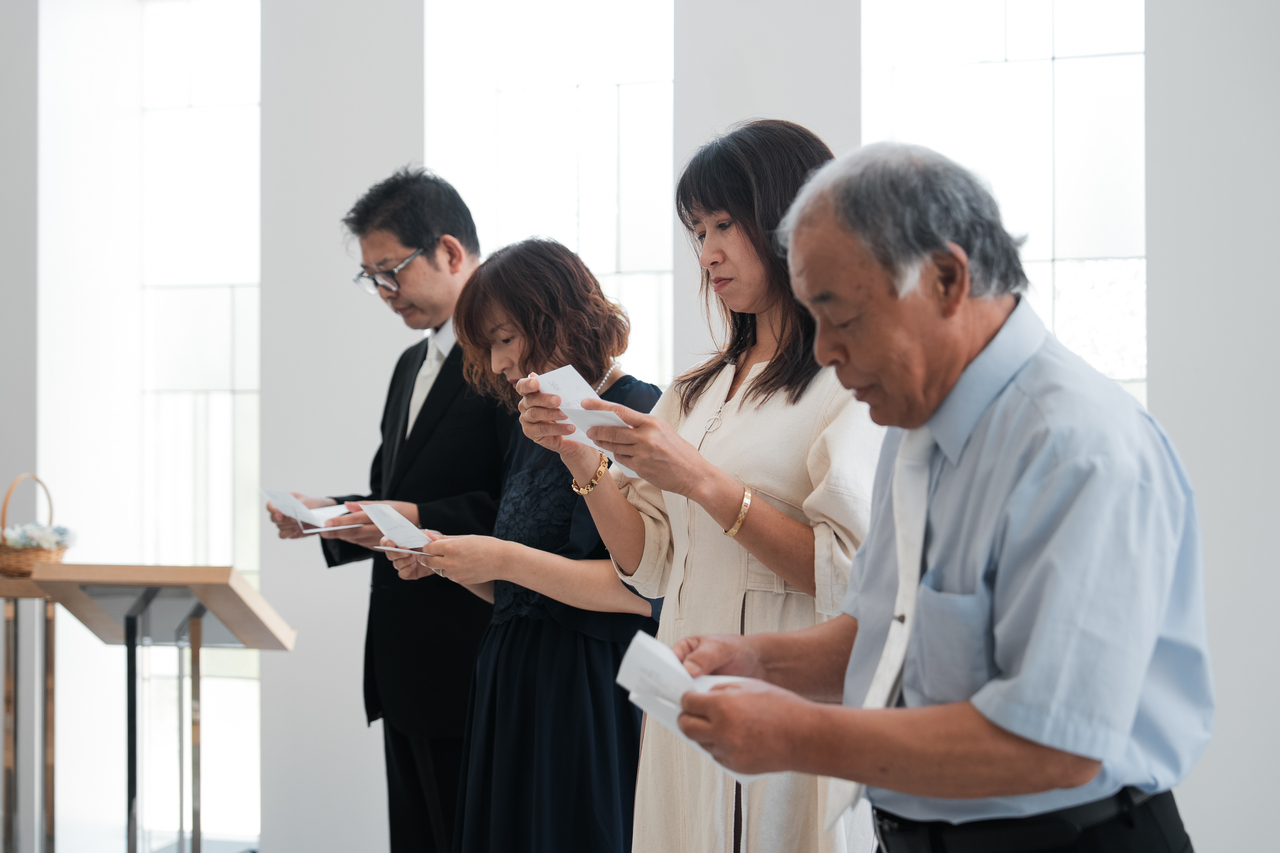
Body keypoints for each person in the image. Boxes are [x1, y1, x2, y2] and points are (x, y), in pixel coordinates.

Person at [671, 142, 1214, 853]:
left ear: (947, 279)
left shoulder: (1078, 448)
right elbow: (889, 633)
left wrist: (797, 733)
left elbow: (1055, 742)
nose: (825, 351)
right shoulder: (916, 423)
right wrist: (759, 662)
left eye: (841, 315)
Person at [517, 120, 883, 853]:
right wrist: (577, 457)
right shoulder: (696, 389)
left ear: (789, 222)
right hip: (685, 681)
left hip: (786, 688)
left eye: (724, 225)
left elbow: (848, 576)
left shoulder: (848, 383)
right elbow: (647, 562)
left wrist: (703, 482)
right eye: (696, 230)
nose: (707, 251)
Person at [383, 238, 662, 853]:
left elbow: (643, 591)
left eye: (506, 338)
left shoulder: (639, 408)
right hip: (511, 681)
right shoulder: (528, 428)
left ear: (555, 316)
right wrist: (449, 561)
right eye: (489, 346)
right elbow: (517, 591)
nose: (501, 363)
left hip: (586, 688)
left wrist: (500, 556)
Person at [265, 168, 514, 853]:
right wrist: (331, 515)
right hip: (403, 668)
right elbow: (394, 491)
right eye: (370, 275)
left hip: (472, 659)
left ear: (451, 252)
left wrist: (402, 513)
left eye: (392, 270)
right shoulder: (411, 364)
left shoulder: (508, 358)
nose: (383, 291)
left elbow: (518, 507)